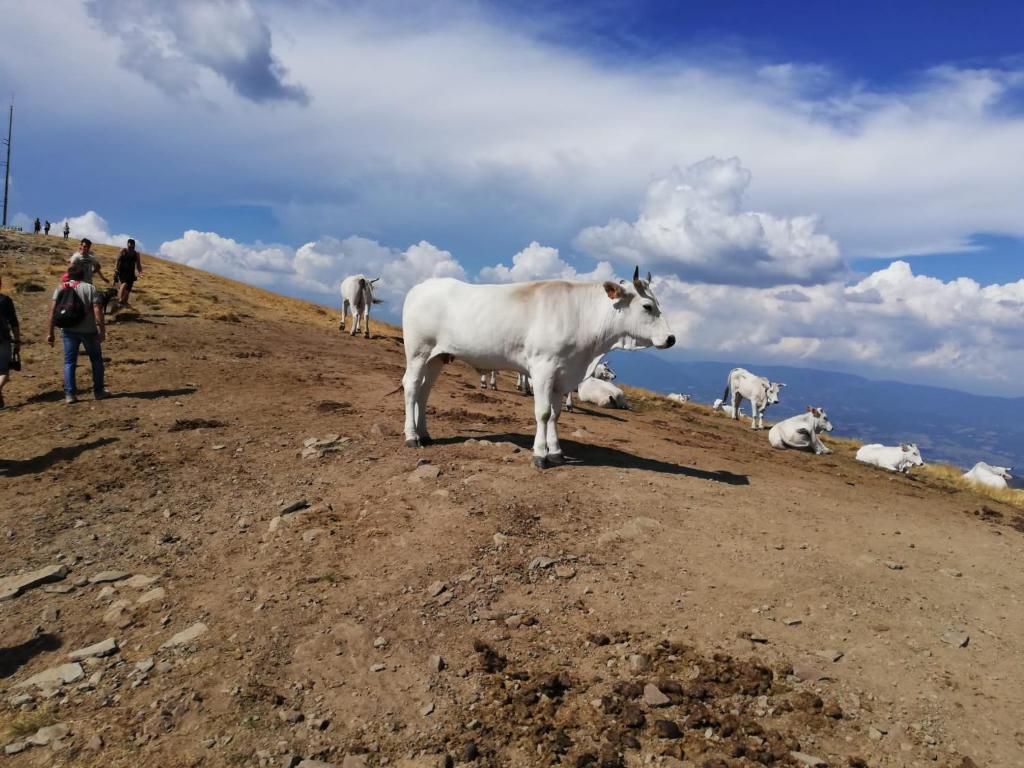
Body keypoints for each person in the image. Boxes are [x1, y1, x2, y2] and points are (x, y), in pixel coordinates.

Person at [46, 262, 108, 404]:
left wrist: (50, 333)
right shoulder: (90, 288)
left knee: (69, 362)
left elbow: (52, 311)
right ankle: (99, 392)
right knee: (96, 360)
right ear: (83, 275)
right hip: (89, 331)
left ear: (69, 275)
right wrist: (102, 330)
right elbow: (97, 310)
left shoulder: (60, 288)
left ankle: (70, 395)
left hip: (68, 330)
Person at [0, 275, 21, 409]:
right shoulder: (5, 300)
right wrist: (17, 340)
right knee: (4, 371)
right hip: (3, 339)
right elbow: (14, 322)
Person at [114, 238, 143, 308]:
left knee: (128, 291)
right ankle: (119, 301)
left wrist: (140, 272)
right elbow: (118, 260)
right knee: (124, 284)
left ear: (134, 246)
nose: (131, 248)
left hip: (131, 273)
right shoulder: (123, 251)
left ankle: (124, 302)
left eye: (133, 247)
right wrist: (116, 268)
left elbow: (138, 264)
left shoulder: (136, 254)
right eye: (130, 247)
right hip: (122, 271)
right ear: (127, 245)